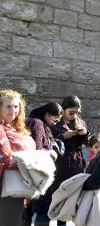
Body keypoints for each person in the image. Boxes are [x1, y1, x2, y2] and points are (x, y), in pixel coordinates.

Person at [0, 89, 36, 226]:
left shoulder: (15, 128)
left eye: (16, 106)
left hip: (18, 183)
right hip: (6, 185)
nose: (13, 110)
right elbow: (6, 158)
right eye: (8, 106)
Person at [24, 102, 64, 226]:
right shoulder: (38, 123)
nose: (56, 124)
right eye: (55, 120)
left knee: (27, 212)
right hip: (39, 174)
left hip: (27, 173)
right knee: (43, 209)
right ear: (47, 115)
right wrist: (52, 152)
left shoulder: (29, 120)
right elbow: (38, 149)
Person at [52, 95, 89, 225]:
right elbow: (51, 143)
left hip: (77, 164)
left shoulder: (80, 122)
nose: (74, 115)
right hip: (61, 166)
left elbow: (85, 144)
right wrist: (63, 136)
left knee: (76, 200)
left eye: (77, 113)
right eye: (71, 112)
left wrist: (85, 134)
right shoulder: (56, 123)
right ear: (63, 110)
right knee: (62, 202)